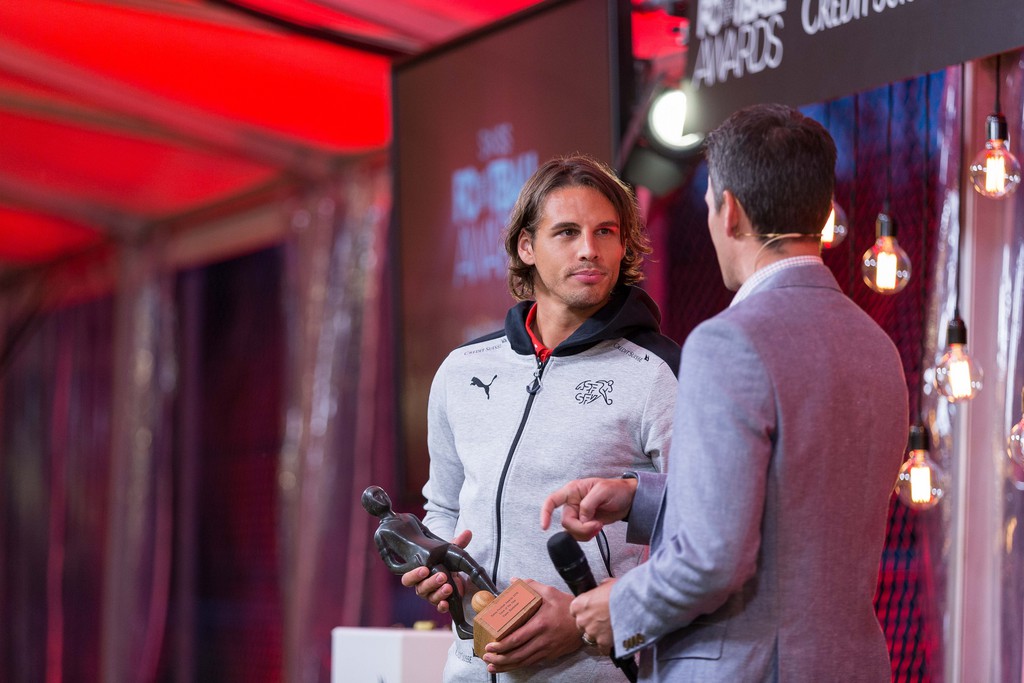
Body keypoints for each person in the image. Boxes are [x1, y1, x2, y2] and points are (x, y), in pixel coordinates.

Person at [541, 104, 909, 681]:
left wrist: (620, 607)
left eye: (709, 202)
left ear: (728, 209)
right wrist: (639, 497)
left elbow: (713, 560)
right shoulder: (877, 345)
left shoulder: (728, 341)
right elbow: (793, 508)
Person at [402, 154, 680, 681]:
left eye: (605, 232)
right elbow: (442, 508)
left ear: (625, 247)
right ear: (525, 247)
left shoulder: (657, 374)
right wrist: (440, 566)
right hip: (467, 669)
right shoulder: (461, 372)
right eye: (567, 231)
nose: (589, 250)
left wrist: (583, 621)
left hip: (599, 670)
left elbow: (702, 538)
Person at [362, 485, 498, 638]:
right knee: (450, 590)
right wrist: (412, 565)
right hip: (426, 560)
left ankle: (495, 593)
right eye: (375, 497)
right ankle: (461, 625)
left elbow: (428, 534)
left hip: (441, 547)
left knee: (472, 566)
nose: (381, 498)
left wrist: (449, 544)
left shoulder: (408, 516)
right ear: (370, 507)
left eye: (381, 493)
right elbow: (392, 564)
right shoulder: (381, 533)